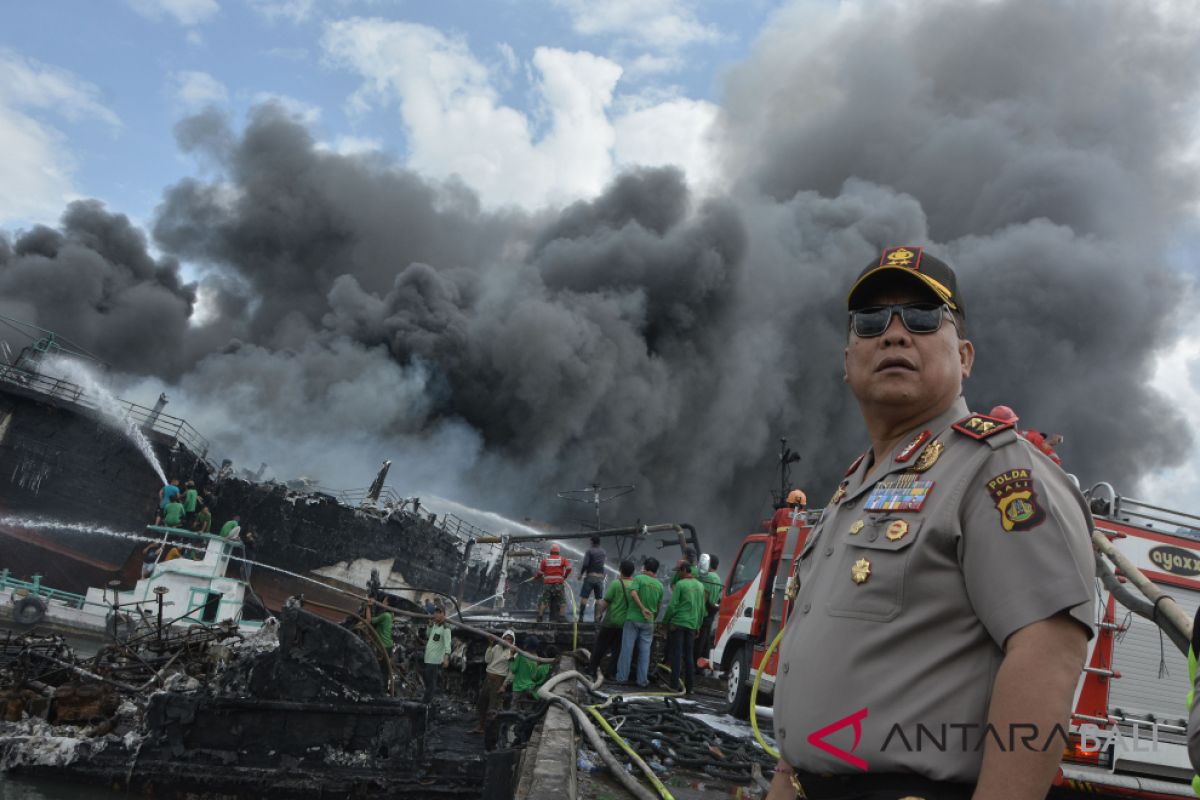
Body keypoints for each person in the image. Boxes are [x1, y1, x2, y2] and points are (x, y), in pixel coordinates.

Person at [767, 246, 1094, 800]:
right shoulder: (854, 489)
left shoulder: (994, 466)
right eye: (870, 323)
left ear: (964, 356)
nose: (893, 334)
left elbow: (1048, 649)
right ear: (847, 363)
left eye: (922, 317)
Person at [617, 557, 664, 688]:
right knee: (645, 652)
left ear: (645, 567)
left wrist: (642, 608)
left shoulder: (638, 579)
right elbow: (659, 605)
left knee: (627, 649)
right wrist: (653, 616)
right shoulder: (659, 585)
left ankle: (622, 678)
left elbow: (633, 593)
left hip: (633, 618)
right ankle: (642, 681)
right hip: (649, 622)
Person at [661, 561, 705, 695]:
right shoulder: (700, 586)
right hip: (692, 625)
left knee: (676, 655)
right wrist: (698, 626)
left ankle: (674, 686)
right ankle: (690, 687)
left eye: (680, 570)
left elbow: (672, 605)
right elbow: (701, 609)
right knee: (689, 656)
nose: (678, 573)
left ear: (685, 570)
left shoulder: (680, 584)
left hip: (678, 624)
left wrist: (665, 622)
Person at [588, 559, 635, 678]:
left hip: (611, 621)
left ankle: (592, 669)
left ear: (620, 570)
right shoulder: (635, 585)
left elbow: (606, 602)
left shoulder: (616, 583)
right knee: (617, 650)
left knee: (600, 646)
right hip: (624, 624)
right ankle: (611, 673)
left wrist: (599, 614)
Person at [472, 629, 517, 734]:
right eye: (505, 638)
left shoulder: (513, 652)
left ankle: (492, 733)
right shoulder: (496, 647)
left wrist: (504, 685)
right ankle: (481, 727)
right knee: (481, 704)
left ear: (512, 641)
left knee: (493, 708)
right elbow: (487, 660)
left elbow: (512, 672)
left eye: (509, 639)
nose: (507, 640)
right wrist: (490, 646)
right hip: (488, 679)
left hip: (499, 681)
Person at [422, 604, 452, 705]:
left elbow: (448, 645)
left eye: (439, 613)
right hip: (428, 658)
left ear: (443, 615)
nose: (436, 614)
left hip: (435, 660)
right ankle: (427, 701)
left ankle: (426, 703)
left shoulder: (446, 628)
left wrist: (446, 658)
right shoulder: (435, 625)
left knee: (431, 684)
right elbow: (428, 635)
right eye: (436, 612)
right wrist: (430, 625)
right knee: (427, 681)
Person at [695, 554, 723, 661]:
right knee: (705, 639)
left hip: (703, 611)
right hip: (711, 612)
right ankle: (703, 663)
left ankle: (696, 664)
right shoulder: (717, 578)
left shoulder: (707, 576)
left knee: (699, 640)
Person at [536, 544, 572, 622]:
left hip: (547, 584)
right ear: (558, 552)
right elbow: (569, 568)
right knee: (562, 601)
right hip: (558, 584)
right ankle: (562, 617)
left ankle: (540, 617)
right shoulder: (562, 559)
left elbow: (540, 572)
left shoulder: (545, 560)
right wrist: (565, 576)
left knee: (545, 601)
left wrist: (536, 577)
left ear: (550, 552)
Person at [578, 535, 607, 621]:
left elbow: (586, 564)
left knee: (584, 597)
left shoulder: (589, 551)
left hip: (590, 576)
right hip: (600, 578)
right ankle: (597, 619)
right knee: (598, 599)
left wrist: (581, 574)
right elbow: (602, 565)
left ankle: (581, 618)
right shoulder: (603, 552)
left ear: (592, 542)